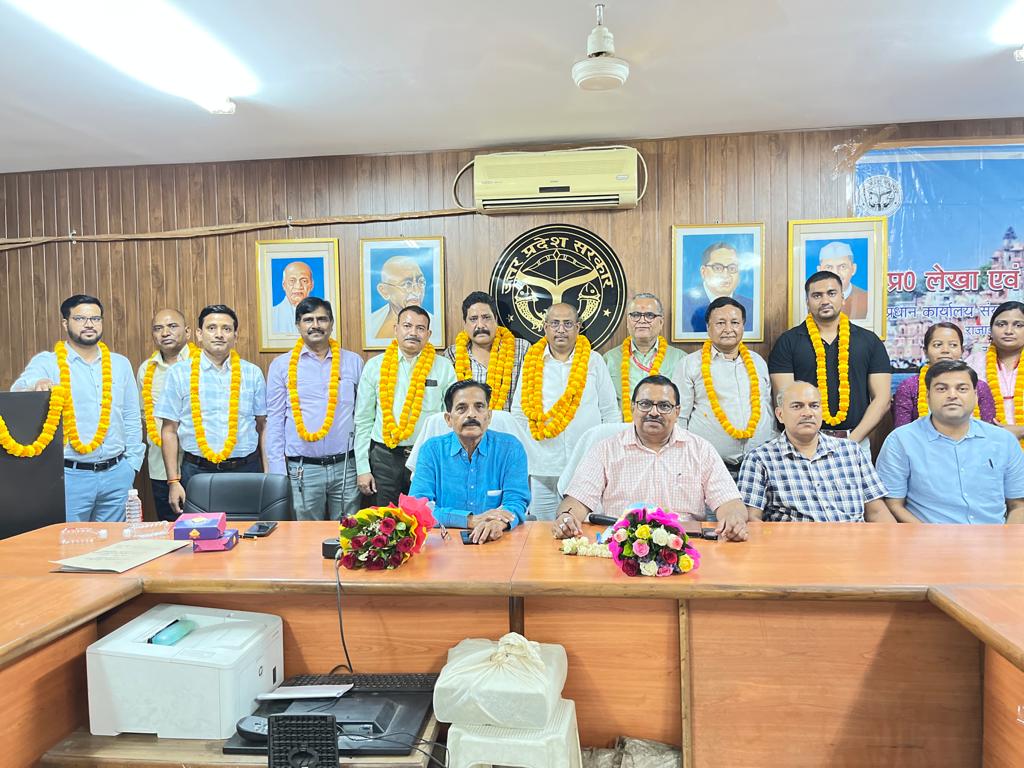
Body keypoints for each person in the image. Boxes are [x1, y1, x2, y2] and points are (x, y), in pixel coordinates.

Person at [552, 375, 749, 541]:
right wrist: (567, 518)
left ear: (677, 411)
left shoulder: (700, 450)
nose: (654, 412)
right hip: (621, 544)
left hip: (685, 544)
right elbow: (576, 501)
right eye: (645, 404)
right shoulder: (606, 449)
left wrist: (733, 519)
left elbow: (730, 502)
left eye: (664, 406)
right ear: (633, 408)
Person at [12, 294, 144, 522]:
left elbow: (131, 415)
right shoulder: (48, 362)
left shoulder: (120, 364)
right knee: (71, 540)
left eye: (95, 318)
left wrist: (132, 465)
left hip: (117, 474)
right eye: (80, 318)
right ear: (65, 323)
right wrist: (36, 385)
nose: (89, 324)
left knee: (116, 541)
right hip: (70, 476)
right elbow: (18, 391)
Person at [877, 360, 1024, 524]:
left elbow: (1018, 505)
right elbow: (893, 505)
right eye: (942, 389)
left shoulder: (1004, 441)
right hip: (926, 537)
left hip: (994, 536)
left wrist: (1007, 538)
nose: (952, 395)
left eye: (962, 389)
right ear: (928, 397)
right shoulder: (901, 441)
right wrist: (928, 534)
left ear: (976, 396)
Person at [155, 305, 267, 515]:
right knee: (200, 533)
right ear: (199, 334)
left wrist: (267, 475)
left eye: (226, 329)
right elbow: (169, 430)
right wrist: (173, 481)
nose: (219, 334)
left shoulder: (252, 373)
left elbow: (263, 426)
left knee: (249, 531)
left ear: (235, 335)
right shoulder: (179, 373)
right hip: (197, 472)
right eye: (212, 328)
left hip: (246, 471)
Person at [511, 303, 619, 519]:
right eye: (555, 324)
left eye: (568, 324)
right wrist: (527, 455)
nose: (561, 330)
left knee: (583, 526)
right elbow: (519, 412)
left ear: (578, 328)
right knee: (542, 528)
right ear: (545, 327)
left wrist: (609, 457)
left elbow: (610, 413)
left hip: (587, 464)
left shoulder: (594, 361)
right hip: (543, 464)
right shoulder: (531, 362)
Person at [737, 381, 895, 523]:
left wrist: (894, 543)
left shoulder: (851, 451)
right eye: (797, 406)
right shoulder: (760, 459)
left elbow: (877, 512)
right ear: (780, 415)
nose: (808, 413)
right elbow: (752, 520)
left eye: (814, 406)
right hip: (795, 544)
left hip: (853, 542)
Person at [768, 270, 891, 451]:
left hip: (855, 443)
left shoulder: (869, 341)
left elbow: (882, 399)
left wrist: (851, 442)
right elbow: (785, 400)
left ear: (842, 298)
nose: (825, 300)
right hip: (802, 443)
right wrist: (810, 442)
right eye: (817, 295)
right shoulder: (788, 342)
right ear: (807, 301)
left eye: (831, 293)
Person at [265, 297, 364, 520]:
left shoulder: (353, 362)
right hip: (303, 470)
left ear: (332, 323)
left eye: (322, 319)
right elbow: (275, 421)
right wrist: (278, 472)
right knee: (306, 535)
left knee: (349, 531)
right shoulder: (281, 366)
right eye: (308, 320)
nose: (315, 325)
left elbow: (363, 416)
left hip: (346, 467)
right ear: (298, 325)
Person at [354, 305, 455, 506]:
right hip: (384, 458)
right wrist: (363, 468)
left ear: (428, 334)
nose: (413, 332)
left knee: (425, 516)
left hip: (427, 457)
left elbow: (450, 419)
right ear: (396, 329)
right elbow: (363, 420)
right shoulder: (374, 366)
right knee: (385, 518)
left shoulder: (444, 367)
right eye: (407, 326)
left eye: (420, 328)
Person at [409, 380, 530, 543]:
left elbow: (516, 501)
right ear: (448, 419)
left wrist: (498, 523)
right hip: (444, 544)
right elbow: (418, 507)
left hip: (496, 540)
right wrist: (470, 520)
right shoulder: (431, 450)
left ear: (489, 416)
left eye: (479, 406)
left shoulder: (510, 448)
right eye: (462, 408)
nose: (471, 414)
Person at [674, 297, 776, 477]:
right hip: (708, 468)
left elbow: (767, 408)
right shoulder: (689, 364)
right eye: (720, 323)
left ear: (743, 326)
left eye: (735, 322)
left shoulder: (758, 362)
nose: (728, 329)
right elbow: (679, 418)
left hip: (760, 467)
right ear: (708, 328)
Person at [136, 308, 193, 521]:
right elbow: (145, 414)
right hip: (161, 466)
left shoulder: (201, 364)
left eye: (172, 326)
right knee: (172, 527)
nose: (165, 333)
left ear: (187, 331)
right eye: (158, 328)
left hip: (198, 463)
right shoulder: (146, 370)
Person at [891, 322, 996, 427]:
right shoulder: (909, 387)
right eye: (937, 345)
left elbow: (988, 430)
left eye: (953, 345)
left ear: (962, 351)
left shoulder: (979, 387)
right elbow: (902, 432)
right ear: (925, 351)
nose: (945, 350)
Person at [444, 291, 529, 412]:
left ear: (496, 319)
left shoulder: (521, 349)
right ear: (465, 325)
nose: (480, 325)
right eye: (473, 319)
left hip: (509, 423)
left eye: (486, 317)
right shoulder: (452, 354)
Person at [603, 292, 684, 419]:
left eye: (649, 315)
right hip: (622, 428)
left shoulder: (680, 359)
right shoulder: (609, 359)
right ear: (627, 322)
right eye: (635, 315)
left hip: (663, 427)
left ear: (661, 322)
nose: (642, 320)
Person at [966, 301, 1024, 441]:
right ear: (991, 331)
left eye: (1018, 325)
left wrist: (1022, 431)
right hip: (983, 444)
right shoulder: (973, 364)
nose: (1009, 331)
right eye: (1001, 324)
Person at [682, 242, 754, 333]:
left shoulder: (751, 307)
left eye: (732, 268)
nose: (725, 275)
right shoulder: (683, 305)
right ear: (703, 272)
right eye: (717, 268)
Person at [369, 256, 428, 342]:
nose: (417, 290)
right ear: (384, 291)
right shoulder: (372, 322)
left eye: (421, 282)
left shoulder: (434, 323)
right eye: (406, 284)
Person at [817, 242, 868, 320]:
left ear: (853, 269)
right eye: (829, 267)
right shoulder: (810, 301)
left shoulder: (867, 299)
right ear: (819, 270)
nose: (836, 273)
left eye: (842, 267)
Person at [272, 261, 314, 334]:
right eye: (292, 281)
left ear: (312, 285)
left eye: (304, 281)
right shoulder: (272, 315)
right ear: (284, 285)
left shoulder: (321, 314)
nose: (298, 286)